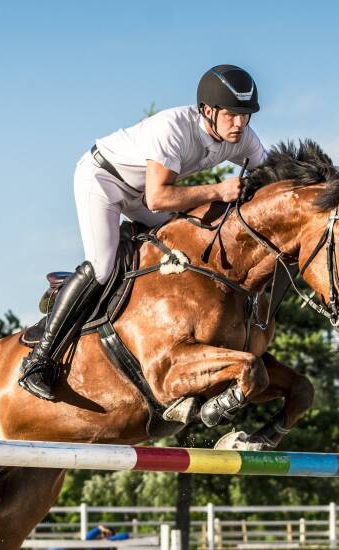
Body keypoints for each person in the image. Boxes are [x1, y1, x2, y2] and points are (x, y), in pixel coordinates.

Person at [19, 64, 268, 400]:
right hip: (104, 181)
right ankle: (40, 360)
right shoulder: (173, 128)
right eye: (232, 115)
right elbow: (159, 198)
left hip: (142, 195)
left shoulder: (242, 138)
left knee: (188, 243)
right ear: (208, 110)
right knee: (103, 265)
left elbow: (272, 184)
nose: (239, 124)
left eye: (246, 115)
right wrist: (218, 191)